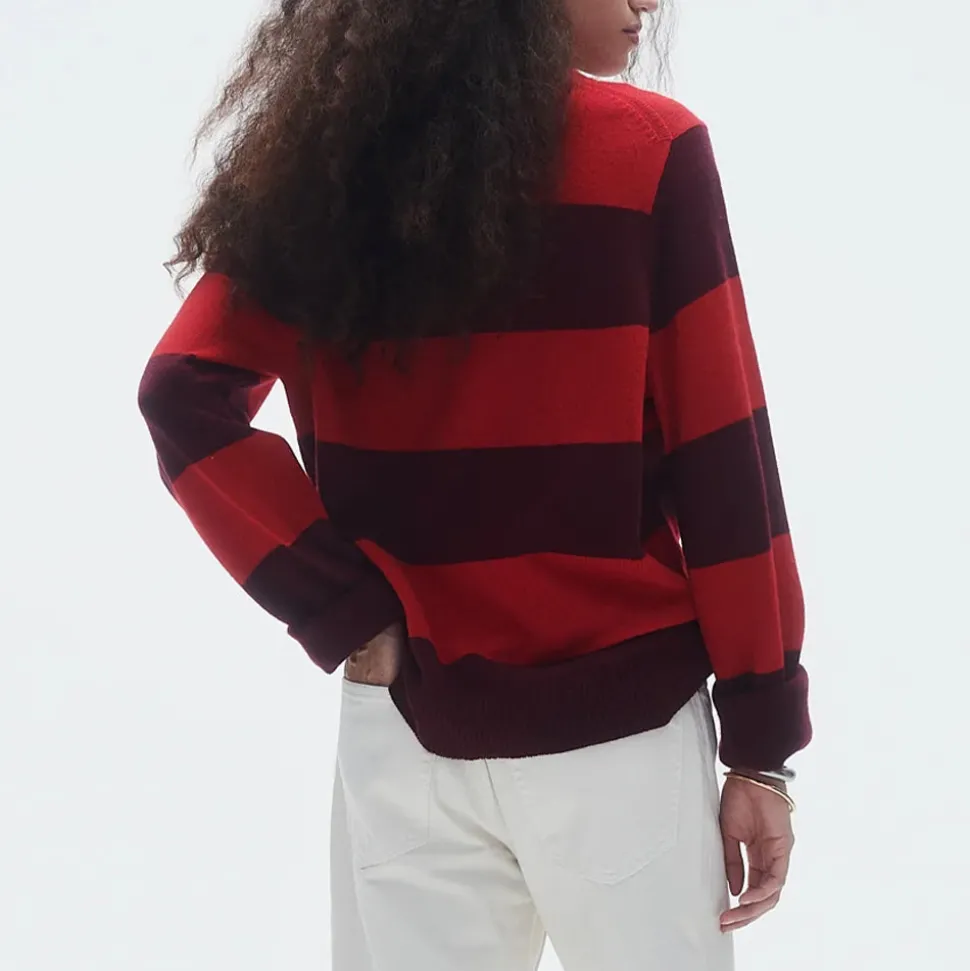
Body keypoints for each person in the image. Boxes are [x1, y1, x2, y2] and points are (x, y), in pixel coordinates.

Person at [137, 0, 812, 967]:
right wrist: (761, 740)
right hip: (622, 740)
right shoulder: (652, 152)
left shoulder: (327, 161)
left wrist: (346, 610)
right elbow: (724, 459)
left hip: (406, 728)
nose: (649, 2)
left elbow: (182, 391)